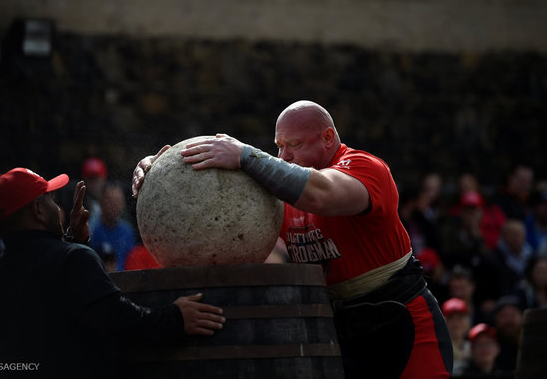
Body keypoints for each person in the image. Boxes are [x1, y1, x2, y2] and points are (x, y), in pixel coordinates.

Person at [133, 100, 453, 378]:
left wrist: (246, 155)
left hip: (401, 321)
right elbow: (224, 216)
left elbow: (321, 194)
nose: (283, 156)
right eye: (278, 146)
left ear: (328, 138)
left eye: (294, 145)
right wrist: (166, 176)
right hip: (336, 331)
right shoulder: (282, 195)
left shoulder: (364, 167)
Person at [0, 167, 225, 379]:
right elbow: (120, 321)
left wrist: (74, 241)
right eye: (51, 200)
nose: (58, 208)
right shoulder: (72, 259)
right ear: (38, 211)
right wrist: (176, 318)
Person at [89, 183, 138, 272]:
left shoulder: (127, 231)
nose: (115, 206)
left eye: (118, 201)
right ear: (101, 203)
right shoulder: (92, 230)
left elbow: (132, 260)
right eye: (111, 201)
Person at [440, 298, 471, 376]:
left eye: (460, 318)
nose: (456, 323)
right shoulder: (438, 348)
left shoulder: (473, 347)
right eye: (451, 318)